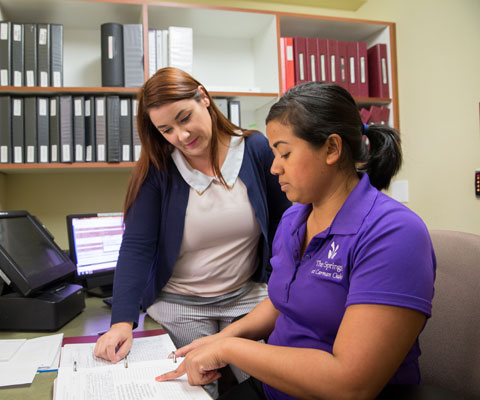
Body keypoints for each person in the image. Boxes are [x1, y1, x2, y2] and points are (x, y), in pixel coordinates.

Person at [157, 81, 436, 400]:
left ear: (331, 149)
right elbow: (281, 301)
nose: (274, 167)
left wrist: (230, 348)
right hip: (275, 387)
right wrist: (222, 338)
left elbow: (350, 383)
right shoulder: (294, 218)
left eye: (284, 153)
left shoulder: (394, 233)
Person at [93, 67, 292, 386]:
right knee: (190, 389)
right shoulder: (158, 169)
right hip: (178, 306)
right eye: (166, 129)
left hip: (245, 297)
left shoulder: (254, 150)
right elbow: (137, 247)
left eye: (184, 118)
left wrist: (284, 286)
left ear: (204, 98)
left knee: (265, 386)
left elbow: (287, 221)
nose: (181, 136)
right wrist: (121, 322)